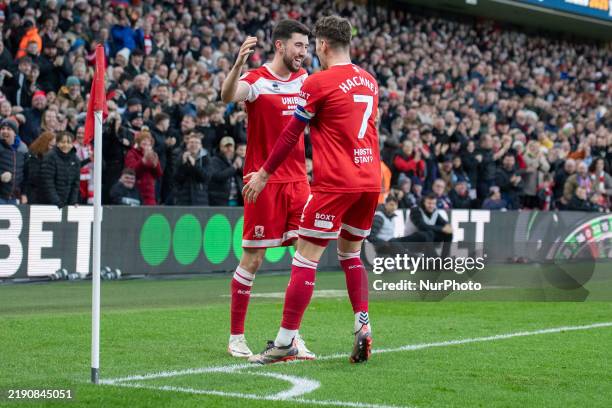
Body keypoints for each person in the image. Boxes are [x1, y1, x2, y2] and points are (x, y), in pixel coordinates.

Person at [243, 15, 380, 364]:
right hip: (369, 181)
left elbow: (291, 134)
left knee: (305, 257)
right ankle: (362, 324)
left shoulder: (318, 83)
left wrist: (263, 173)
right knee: (351, 254)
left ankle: (286, 340)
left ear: (322, 44)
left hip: (336, 183)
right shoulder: (369, 80)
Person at [220, 19, 314, 359]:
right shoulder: (258, 81)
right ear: (280, 46)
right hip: (262, 181)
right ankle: (236, 338)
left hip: (298, 183)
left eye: (307, 46)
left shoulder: (306, 81)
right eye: (299, 46)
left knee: (305, 257)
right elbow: (228, 95)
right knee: (254, 257)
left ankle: (291, 337)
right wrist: (236, 67)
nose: (304, 53)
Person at [40, 132, 80, 208]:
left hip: (65, 204)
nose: (66, 145)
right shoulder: (50, 156)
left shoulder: (76, 160)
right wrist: (57, 202)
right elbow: (48, 182)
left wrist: (73, 202)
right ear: (57, 143)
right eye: (63, 142)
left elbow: (75, 184)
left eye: (69, 142)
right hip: (49, 203)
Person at [124, 129, 162, 205]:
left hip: (150, 192)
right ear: (138, 142)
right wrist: (143, 161)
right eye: (144, 140)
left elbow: (158, 174)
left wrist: (155, 164)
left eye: (149, 141)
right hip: (136, 191)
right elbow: (131, 170)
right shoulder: (132, 153)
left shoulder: (153, 155)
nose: (146, 143)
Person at [174, 134, 210, 206]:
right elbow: (177, 179)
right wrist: (184, 164)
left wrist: (194, 165)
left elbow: (205, 177)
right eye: (191, 142)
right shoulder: (180, 158)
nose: (194, 145)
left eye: (196, 143)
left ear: (201, 146)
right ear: (187, 145)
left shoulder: (206, 159)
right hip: (183, 199)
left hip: (200, 199)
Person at [208, 136, 244, 206]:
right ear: (221, 148)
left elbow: (245, 177)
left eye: (231, 146)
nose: (229, 149)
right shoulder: (214, 160)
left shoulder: (238, 160)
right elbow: (218, 176)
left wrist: (240, 168)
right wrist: (234, 167)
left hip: (237, 199)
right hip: (220, 200)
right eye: (226, 147)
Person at [0, 119, 27, 204]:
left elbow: (26, 174)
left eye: (9, 129)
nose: (5, 131)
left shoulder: (23, 149)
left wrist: (24, 193)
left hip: (14, 198)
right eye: (2, 128)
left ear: (15, 133)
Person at [24, 131, 56, 204]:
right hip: (34, 196)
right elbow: (33, 177)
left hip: (47, 196)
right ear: (44, 144)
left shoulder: (52, 158)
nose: (53, 149)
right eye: (51, 146)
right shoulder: (33, 156)